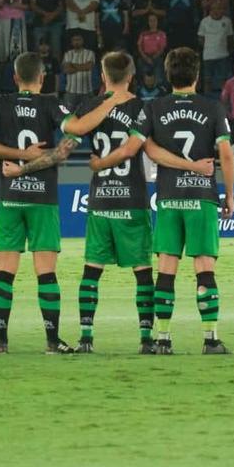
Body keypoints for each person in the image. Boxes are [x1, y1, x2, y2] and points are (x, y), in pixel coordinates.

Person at [0, 51, 75, 353]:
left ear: (15, 78)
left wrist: (13, 157)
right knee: (46, 271)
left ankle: (0, 341)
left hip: (10, 197)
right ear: (42, 78)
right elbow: (70, 138)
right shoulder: (52, 104)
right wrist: (38, 156)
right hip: (43, 198)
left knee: (5, 270)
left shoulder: (0, 103)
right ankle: (53, 341)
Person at [142, 47, 234, 354]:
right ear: (197, 74)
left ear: (167, 74)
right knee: (204, 268)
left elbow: (151, 151)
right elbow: (225, 155)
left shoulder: (154, 107)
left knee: (166, 269)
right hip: (202, 198)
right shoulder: (213, 108)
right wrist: (228, 195)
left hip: (169, 198)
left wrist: (181, 167)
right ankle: (210, 339)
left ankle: (162, 339)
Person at [62, 52, 156, 352]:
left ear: (102, 76)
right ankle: (146, 339)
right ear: (131, 75)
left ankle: (86, 338)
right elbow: (142, 149)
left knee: (92, 270)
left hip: (101, 199)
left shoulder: (90, 106)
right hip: (132, 199)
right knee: (142, 271)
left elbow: (66, 143)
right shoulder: (142, 108)